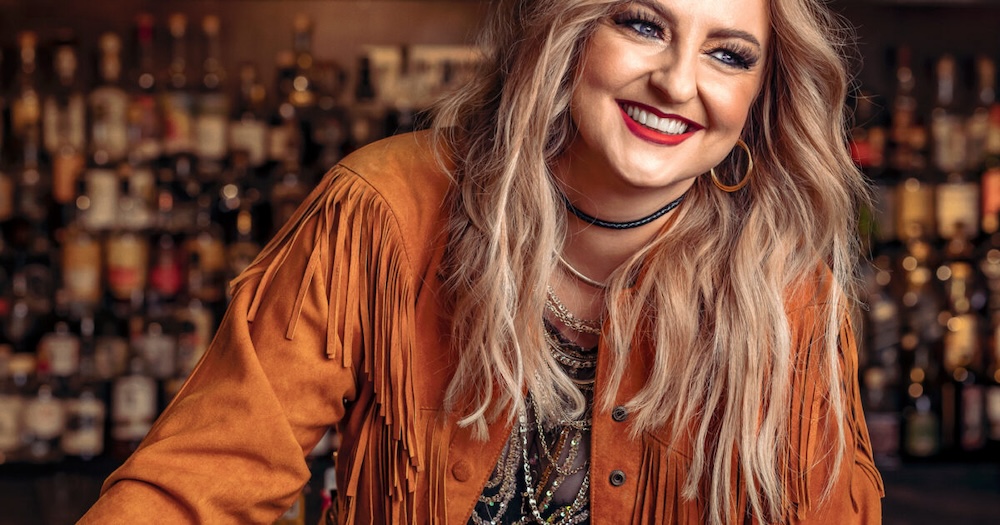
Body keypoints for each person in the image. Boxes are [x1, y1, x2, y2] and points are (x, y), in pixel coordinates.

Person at [80, 0, 884, 523]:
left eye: (730, 55)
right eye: (643, 24)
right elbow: (196, 487)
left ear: (760, 98)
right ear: (571, 34)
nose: (678, 82)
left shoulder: (785, 289)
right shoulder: (386, 208)